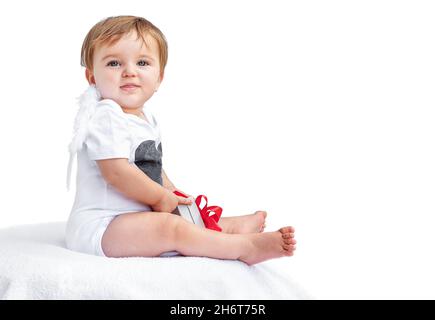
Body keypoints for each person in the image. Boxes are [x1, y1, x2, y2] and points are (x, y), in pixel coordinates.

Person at [65, 15, 296, 265]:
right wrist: (159, 197)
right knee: (169, 227)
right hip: (102, 227)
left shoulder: (144, 119)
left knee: (183, 212)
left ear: (159, 78)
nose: (129, 71)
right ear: (91, 78)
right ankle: (242, 247)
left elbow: (152, 169)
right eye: (113, 63)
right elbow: (117, 173)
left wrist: (172, 193)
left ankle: (224, 226)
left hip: (133, 219)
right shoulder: (106, 114)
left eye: (142, 62)